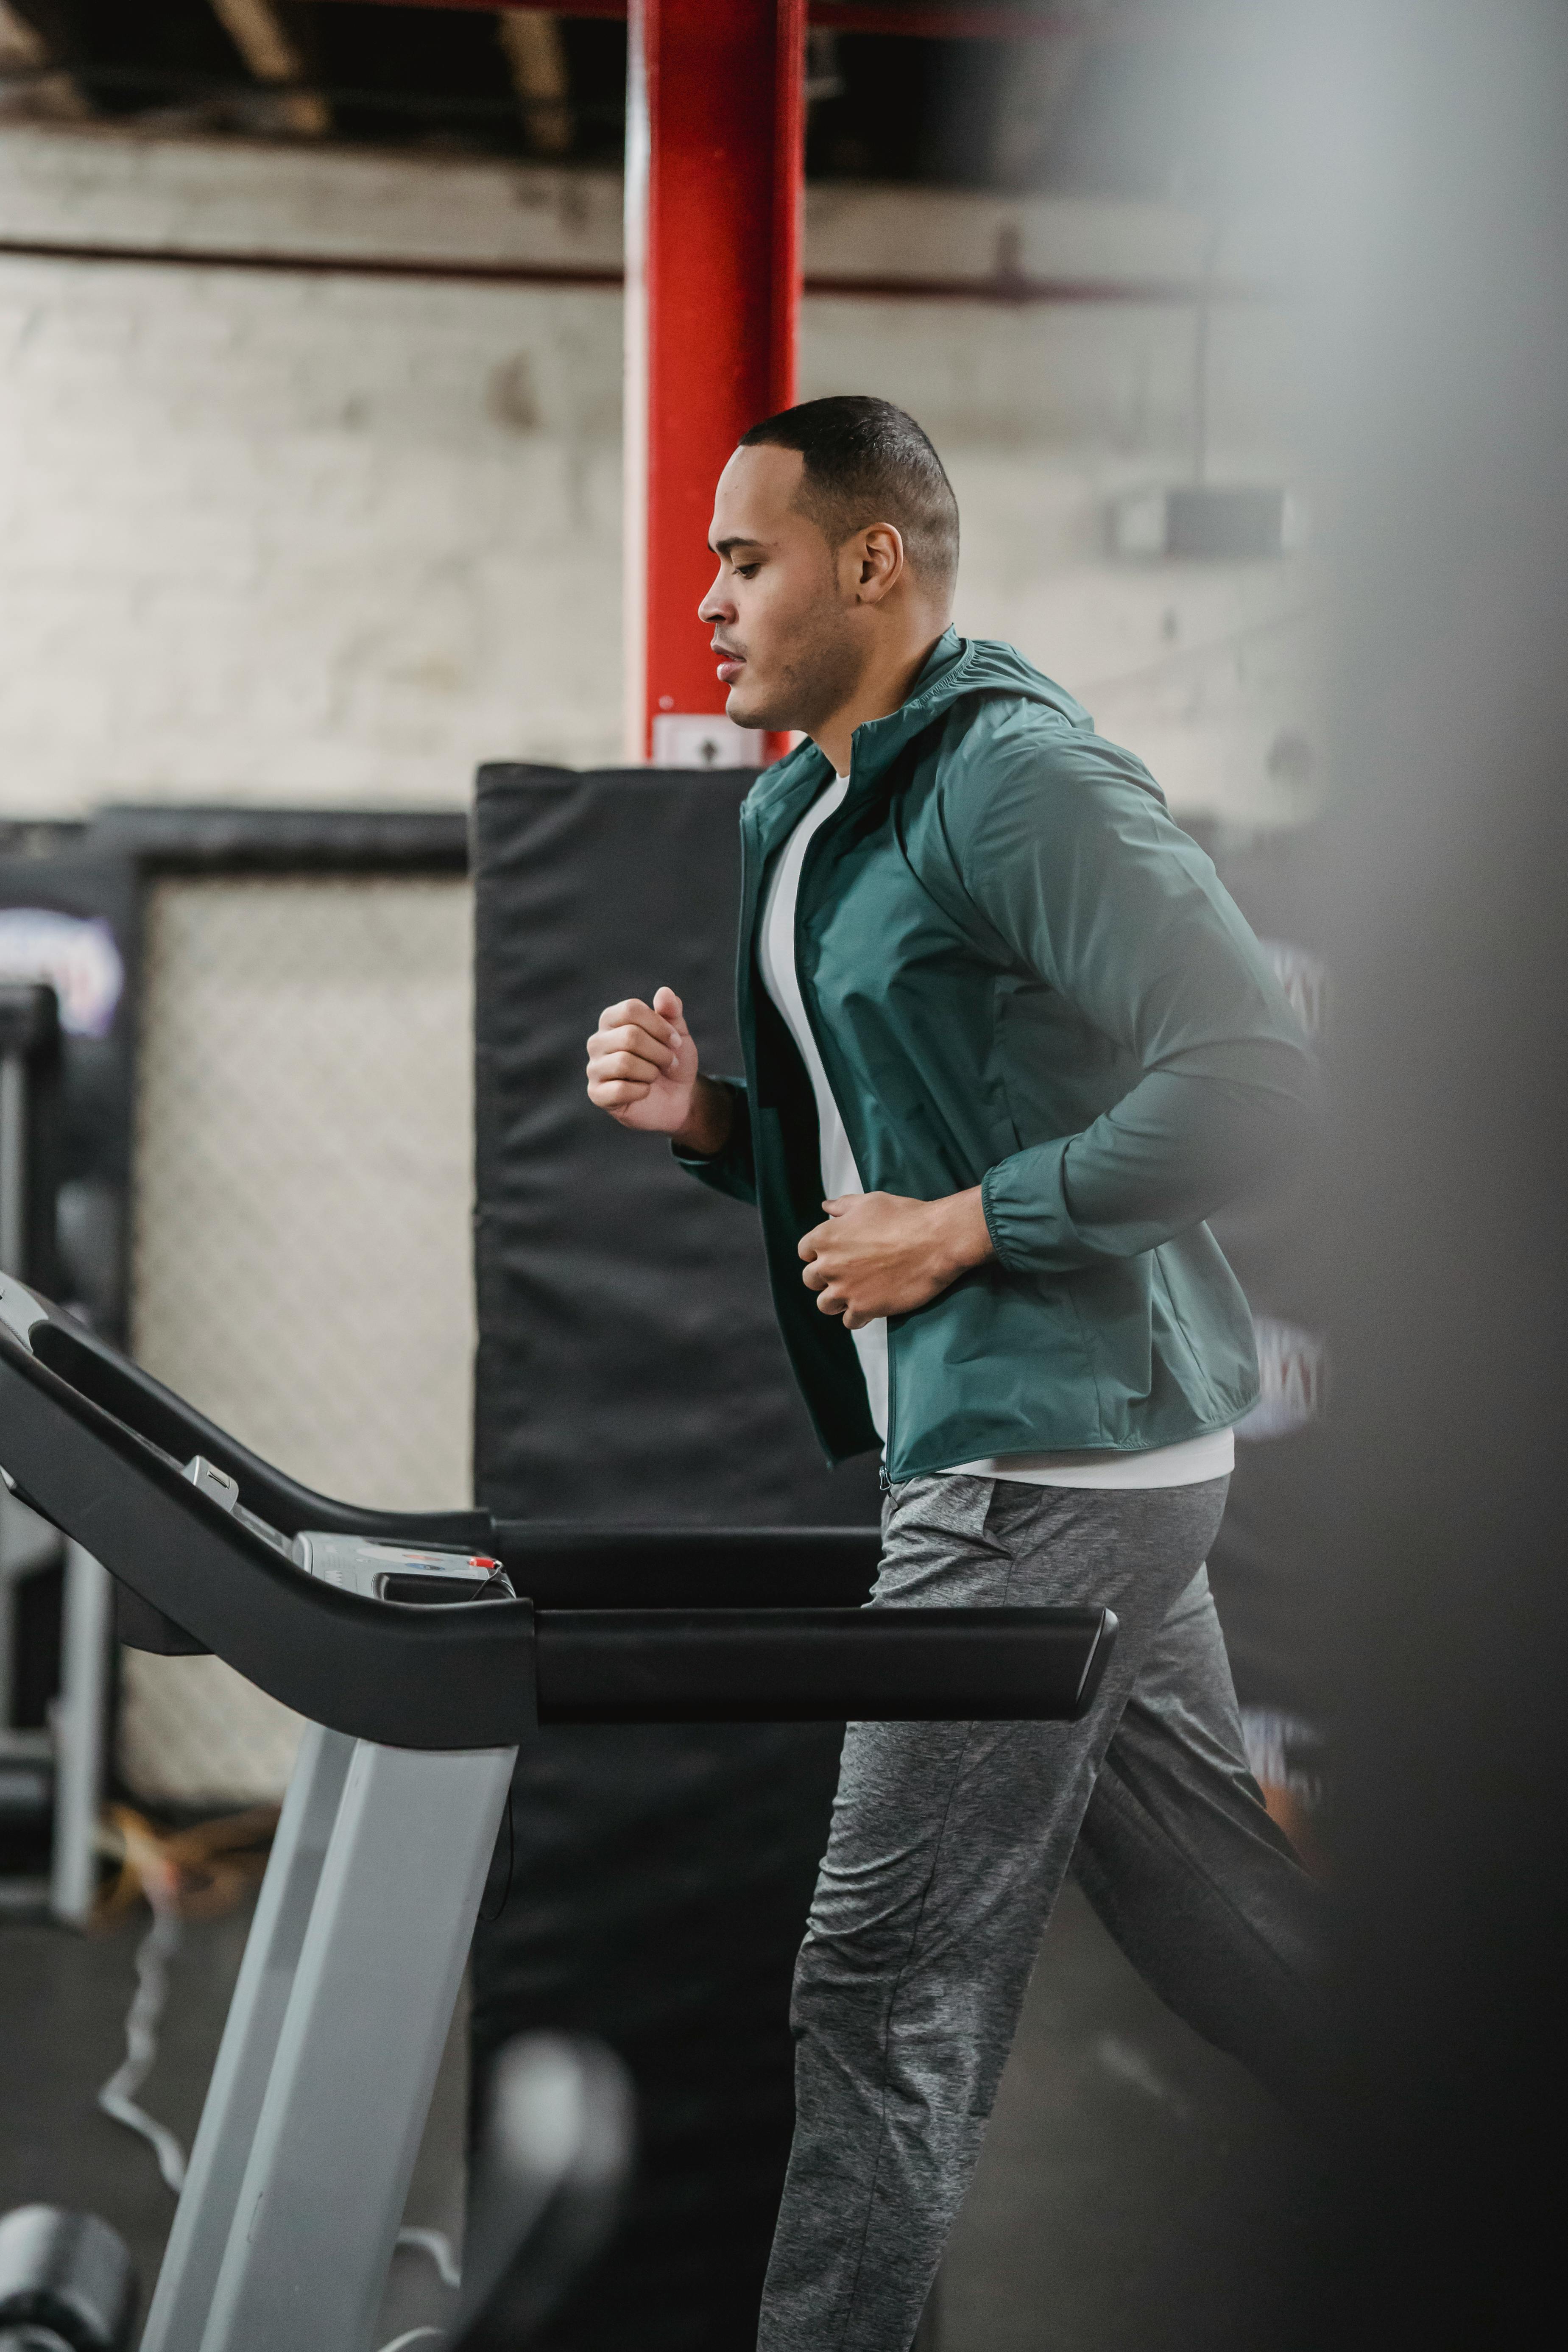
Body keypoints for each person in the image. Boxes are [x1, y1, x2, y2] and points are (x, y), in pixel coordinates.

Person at [585, 396, 1323, 2352]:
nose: (707, 599)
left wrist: (970, 1231)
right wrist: (712, 1123)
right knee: (1229, 1928)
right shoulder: (811, 795)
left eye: (745, 559)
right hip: (1078, 1457)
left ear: (871, 560)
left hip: (1039, 1475)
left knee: (877, 1983)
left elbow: (1255, 1081)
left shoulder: (1017, 781)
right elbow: (900, 1130)